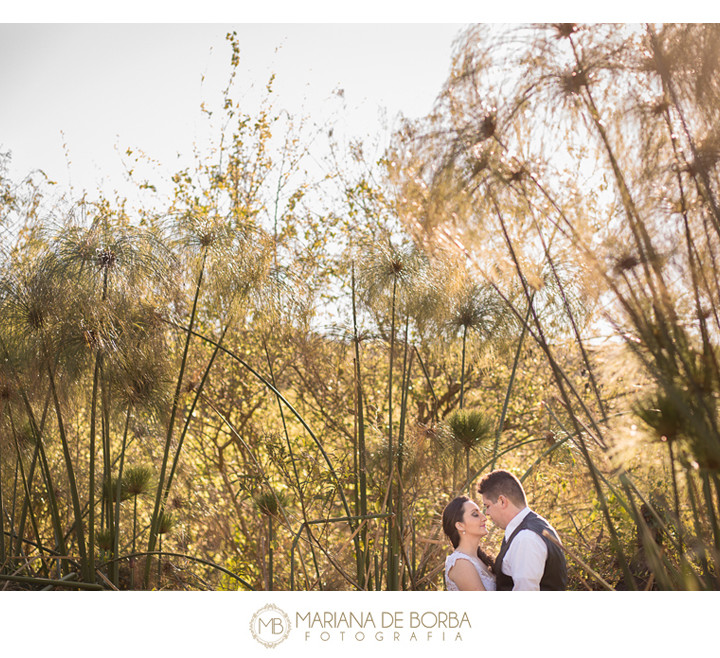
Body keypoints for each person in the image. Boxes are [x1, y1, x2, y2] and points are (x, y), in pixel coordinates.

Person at [478, 469, 567, 591]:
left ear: (502, 501)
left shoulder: (526, 538)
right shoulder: (535, 526)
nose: (486, 513)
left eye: (487, 506)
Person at [441, 495, 496, 591]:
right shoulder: (460, 563)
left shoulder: (481, 559)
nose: (484, 518)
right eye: (475, 514)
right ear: (460, 526)